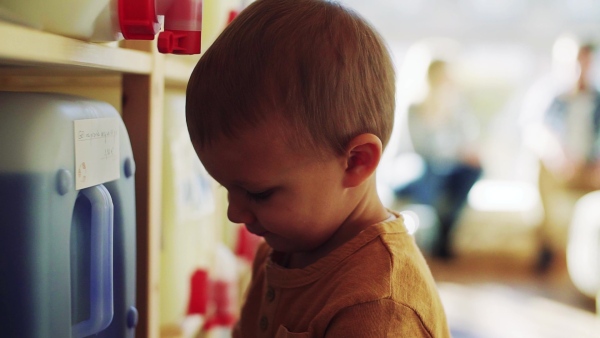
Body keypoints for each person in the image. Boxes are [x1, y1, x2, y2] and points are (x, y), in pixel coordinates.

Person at [185, 0, 450, 336]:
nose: (235, 214)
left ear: (356, 161)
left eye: (257, 193)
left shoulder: (379, 307)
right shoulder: (281, 250)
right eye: (225, 188)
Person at [394, 59, 482, 259]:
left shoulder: (454, 110)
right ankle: (431, 232)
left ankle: (446, 226)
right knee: (429, 170)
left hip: (443, 168)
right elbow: (419, 150)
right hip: (415, 171)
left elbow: (466, 143)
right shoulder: (414, 109)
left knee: (474, 169)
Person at [527, 42, 600, 271]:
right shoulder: (550, 97)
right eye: (575, 62)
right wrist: (556, 153)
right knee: (538, 166)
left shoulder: (597, 100)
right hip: (561, 167)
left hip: (592, 169)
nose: (580, 69)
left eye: (585, 62)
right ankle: (546, 246)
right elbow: (535, 130)